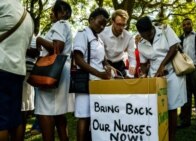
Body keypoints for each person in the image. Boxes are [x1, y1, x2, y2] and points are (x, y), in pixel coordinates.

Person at [136, 16, 187, 141]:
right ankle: (159, 134)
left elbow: (174, 48)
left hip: (171, 73)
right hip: (155, 77)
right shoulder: (141, 42)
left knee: (171, 107)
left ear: (152, 28)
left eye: (149, 34)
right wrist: (143, 73)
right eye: (144, 35)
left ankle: (172, 137)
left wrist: (162, 65)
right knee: (156, 107)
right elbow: (143, 63)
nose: (147, 37)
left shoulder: (165, 30)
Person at [34, 1, 73, 140]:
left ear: (62, 12)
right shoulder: (65, 26)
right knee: (58, 114)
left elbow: (58, 47)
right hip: (61, 70)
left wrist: (39, 39)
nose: (51, 14)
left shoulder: (60, 24)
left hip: (52, 71)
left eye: (54, 11)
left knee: (44, 111)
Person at [73, 8, 111, 141]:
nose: (101, 27)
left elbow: (102, 58)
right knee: (84, 116)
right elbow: (78, 59)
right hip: (85, 81)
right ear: (91, 20)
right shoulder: (82, 34)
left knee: (95, 115)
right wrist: (98, 74)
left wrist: (107, 66)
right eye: (99, 23)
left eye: (104, 25)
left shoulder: (99, 39)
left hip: (98, 83)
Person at [0, 0, 34, 140]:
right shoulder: (28, 18)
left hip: (2, 66)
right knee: (15, 118)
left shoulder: (3, 4)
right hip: (18, 71)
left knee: (1, 120)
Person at [99, 9, 136, 77]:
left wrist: (132, 66)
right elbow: (100, 54)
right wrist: (107, 65)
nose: (121, 28)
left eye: (123, 25)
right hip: (105, 62)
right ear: (112, 22)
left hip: (120, 64)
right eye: (118, 24)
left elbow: (132, 57)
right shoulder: (102, 33)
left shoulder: (129, 36)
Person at [20, 35, 40, 140]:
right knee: (22, 108)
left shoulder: (35, 38)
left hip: (25, 72)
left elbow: (36, 52)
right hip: (24, 72)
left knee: (22, 109)